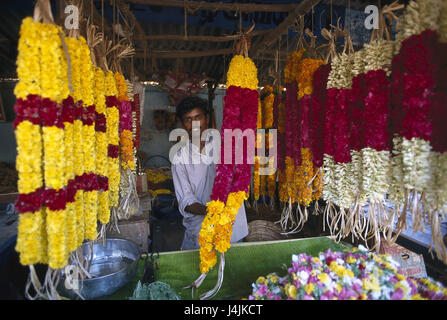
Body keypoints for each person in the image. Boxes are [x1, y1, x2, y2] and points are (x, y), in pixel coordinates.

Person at [171, 96, 248, 250]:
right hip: (200, 233)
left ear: (206, 119)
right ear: (182, 124)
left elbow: (241, 178)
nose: (194, 124)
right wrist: (213, 211)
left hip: (233, 231)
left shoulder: (226, 146)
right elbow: (186, 200)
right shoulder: (179, 158)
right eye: (188, 119)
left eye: (198, 117)